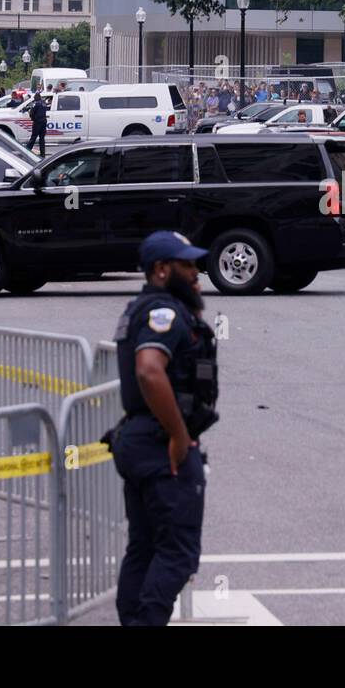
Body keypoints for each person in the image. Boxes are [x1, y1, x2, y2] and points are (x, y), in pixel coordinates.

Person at [109, 231, 220, 627]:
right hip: (160, 444)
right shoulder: (164, 313)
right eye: (186, 265)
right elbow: (149, 370)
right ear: (161, 270)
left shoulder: (146, 308)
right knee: (177, 553)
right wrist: (177, 434)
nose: (196, 273)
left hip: (140, 440)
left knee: (144, 547)